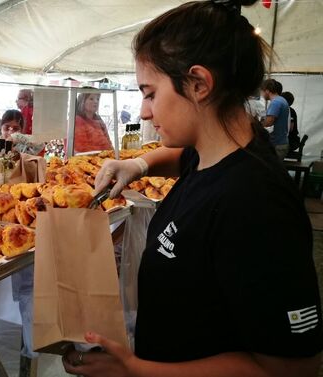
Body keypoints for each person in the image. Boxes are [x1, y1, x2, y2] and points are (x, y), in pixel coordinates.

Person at [63, 1, 323, 376]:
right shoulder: (216, 151)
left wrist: (136, 370)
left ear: (199, 84)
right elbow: (182, 158)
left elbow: (291, 368)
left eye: (150, 93)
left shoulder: (256, 205)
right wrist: (138, 164)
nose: (144, 112)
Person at [261, 78, 289, 160]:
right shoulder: (282, 100)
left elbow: (268, 123)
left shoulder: (275, 102)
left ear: (267, 91)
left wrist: (256, 123)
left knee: (268, 170)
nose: (262, 94)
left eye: (262, 91)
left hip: (277, 145)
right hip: (281, 143)